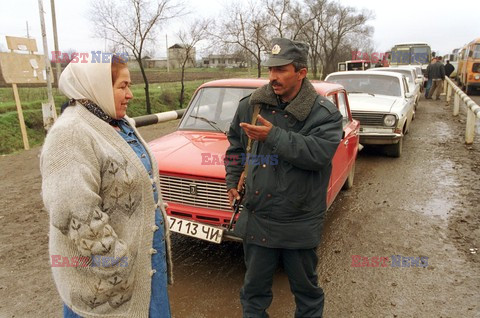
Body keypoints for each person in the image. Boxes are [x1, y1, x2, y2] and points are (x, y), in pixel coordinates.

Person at [40, 55, 173, 317]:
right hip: (109, 286)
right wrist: (116, 265)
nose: (130, 94)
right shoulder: (70, 133)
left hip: (143, 269)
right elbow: (74, 211)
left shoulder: (117, 124)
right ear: (97, 86)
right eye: (122, 86)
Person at [225, 38, 343, 318]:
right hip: (258, 217)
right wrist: (232, 180)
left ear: (301, 73)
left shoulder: (324, 114)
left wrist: (274, 136)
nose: (273, 77)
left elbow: (318, 154)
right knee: (253, 293)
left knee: (306, 292)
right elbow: (235, 146)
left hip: (298, 221)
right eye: (270, 70)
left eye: (281, 70)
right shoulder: (252, 105)